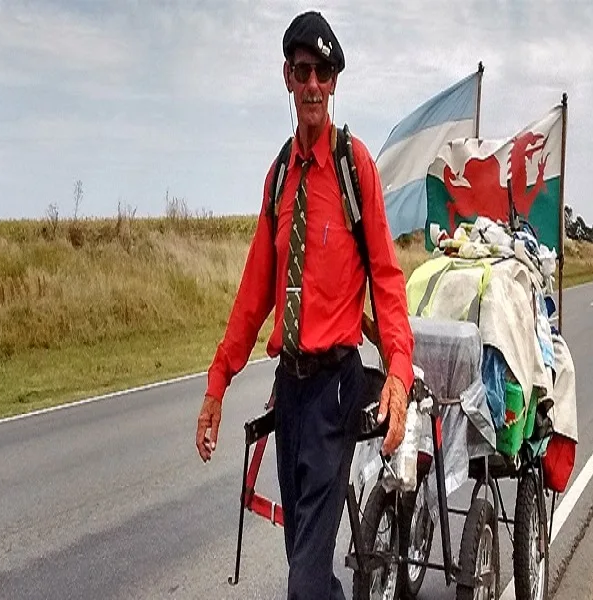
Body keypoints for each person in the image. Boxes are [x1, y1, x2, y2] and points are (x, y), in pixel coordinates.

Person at [194, 10, 414, 599]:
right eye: (302, 71)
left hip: (334, 392)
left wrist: (398, 370)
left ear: (335, 81)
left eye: (322, 72)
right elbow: (253, 293)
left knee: (306, 582)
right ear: (287, 79)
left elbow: (387, 279)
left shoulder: (353, 166)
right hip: (289, 397)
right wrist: (218, 383)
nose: (312, 84)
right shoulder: (277, 179)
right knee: (305, 563)